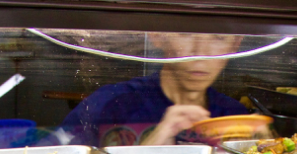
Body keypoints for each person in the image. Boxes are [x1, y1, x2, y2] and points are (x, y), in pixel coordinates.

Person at [58, 33, 248, 147]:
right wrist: (153, 143)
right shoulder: (110, 104)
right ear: (158, 36)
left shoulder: (238, 117)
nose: (201, 53)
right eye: (186, 34)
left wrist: (260, 148)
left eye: (219, 37)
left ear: (236, 44)